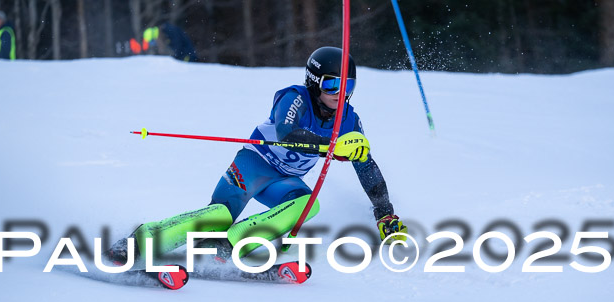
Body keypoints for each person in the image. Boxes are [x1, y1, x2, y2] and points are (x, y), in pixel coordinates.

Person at [107, 47, 407, 267]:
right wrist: (330, 146)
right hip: (252, 166)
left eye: (347, 86)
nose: (340, 93)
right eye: (331, 84)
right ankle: (139, 241)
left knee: (307, 205)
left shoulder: (349, 120)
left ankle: (232, 243)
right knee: (219, 215)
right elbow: (287, 132)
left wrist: (384, 212)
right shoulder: (294, 98)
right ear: (315, 81)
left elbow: (365, 164)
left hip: (284, 181)